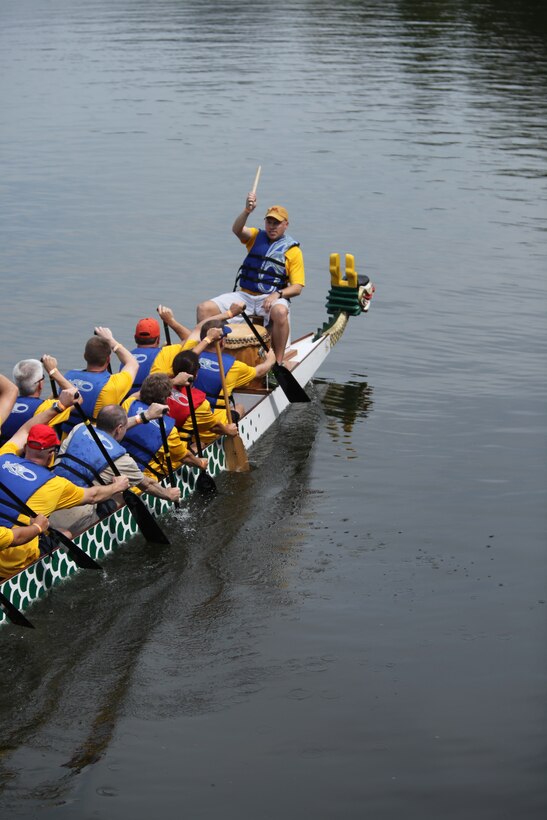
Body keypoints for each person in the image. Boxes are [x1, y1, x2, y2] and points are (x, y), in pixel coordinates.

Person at [0, 390, 129, 575]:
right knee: (66, 533)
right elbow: (93, 496)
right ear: (52, 455)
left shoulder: (3, 455)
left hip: (4, 537)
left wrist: (59, 406)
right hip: (14, 562)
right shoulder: (55, 484)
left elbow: (26, 429)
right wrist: (118, 486)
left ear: (26, 446)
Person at [196, 194, 305, 365]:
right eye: (269, 222)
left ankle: (277, 362)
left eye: (276, 223)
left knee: (281, 312)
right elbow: (237, 230)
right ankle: (207, 357)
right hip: (245, 295)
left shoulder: (293, 251)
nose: (272, 227)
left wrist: (277, 294)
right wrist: (247, 211)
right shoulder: (255, 236)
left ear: (286, 225)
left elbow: (297, 287)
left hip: (269, 297)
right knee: (204, 308)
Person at [51, 403, 181, 534]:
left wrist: (145, 416)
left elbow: (108, 428)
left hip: (49, 501)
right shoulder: (122, 460)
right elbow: (147, 485)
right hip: (74, 520)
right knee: (121, 492)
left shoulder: (79, 428)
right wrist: (168, 494)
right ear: (119, 428)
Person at [122, 373, 207, 478]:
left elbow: (137, 395)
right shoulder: (169, 429)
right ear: (168, 397)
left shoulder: (128, 403)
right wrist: (201, 463)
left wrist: (172, 381)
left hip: (119, 468)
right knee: (182, 452)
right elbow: (185, 458)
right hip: (144, 481)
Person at [59, 326, 139, 435]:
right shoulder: (112, 385)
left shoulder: (67, 377)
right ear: (108, 359)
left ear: (84, 356)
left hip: (66, 442)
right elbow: (132, 363)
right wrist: (111, 341)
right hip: (96, 442)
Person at [189, 319, 275, 411]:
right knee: (239, 408)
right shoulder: (234, 367)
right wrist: (270, 360)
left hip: (189, 409)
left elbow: (196, 329)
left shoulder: (188, 356)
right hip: (214, 417)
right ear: (222, 342)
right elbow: (259, 372)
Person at [168, 350, 240, 448]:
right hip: (179, 450)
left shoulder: (159, 387)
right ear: (196, 374)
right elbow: (215, 427)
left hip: (159, 440)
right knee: (239, 408)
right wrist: (228, 431)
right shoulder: (200, 403)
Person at [150, 304, 242, 378]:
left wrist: (229, 313)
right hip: (201, 399)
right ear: (222, 342)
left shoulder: (186, 349)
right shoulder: (234, 366)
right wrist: (230, 313)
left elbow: (198, 328)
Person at [0, 357, 72, 444]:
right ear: (40, 385)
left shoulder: (3, 405)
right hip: (28, 456)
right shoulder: (46, 407)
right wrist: (53, 371)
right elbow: (76, 397)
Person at [123, 317, 163, 397]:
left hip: (128, 402)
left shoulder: (125, 356)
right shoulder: (163, 354)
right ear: (158, 339)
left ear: (135, 338)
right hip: (151, 400)